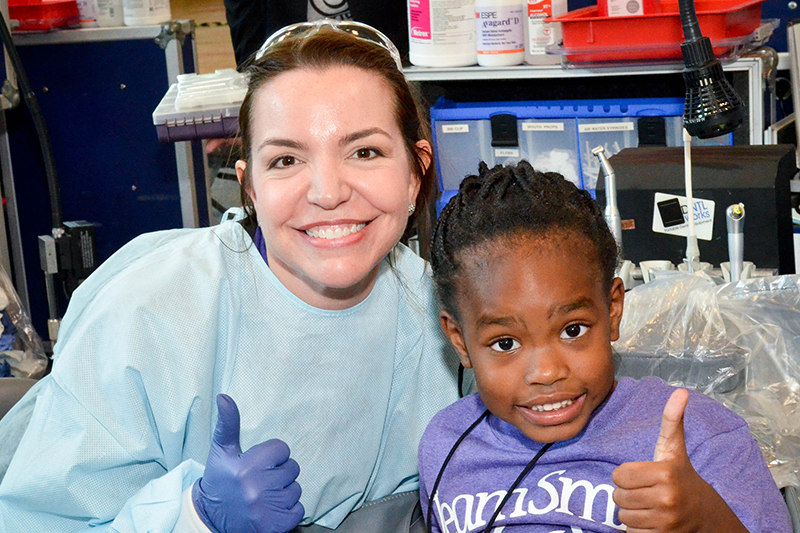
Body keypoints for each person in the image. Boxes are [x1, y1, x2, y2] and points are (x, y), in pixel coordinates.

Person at [0, 20, 463, 532]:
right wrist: (193, 518)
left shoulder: (449, 309)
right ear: (250, 187)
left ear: (416, 172)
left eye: (365, 152)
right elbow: (36, 520)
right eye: (286, 159)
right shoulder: (152, 313)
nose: (328, 192)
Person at [419, 160, 791, 532]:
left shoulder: (701, 437)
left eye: (572, 330)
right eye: (505, 343)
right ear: (459, 340)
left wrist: (706, 518)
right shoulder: (446, 444)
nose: (547, 372)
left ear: (613, 310)